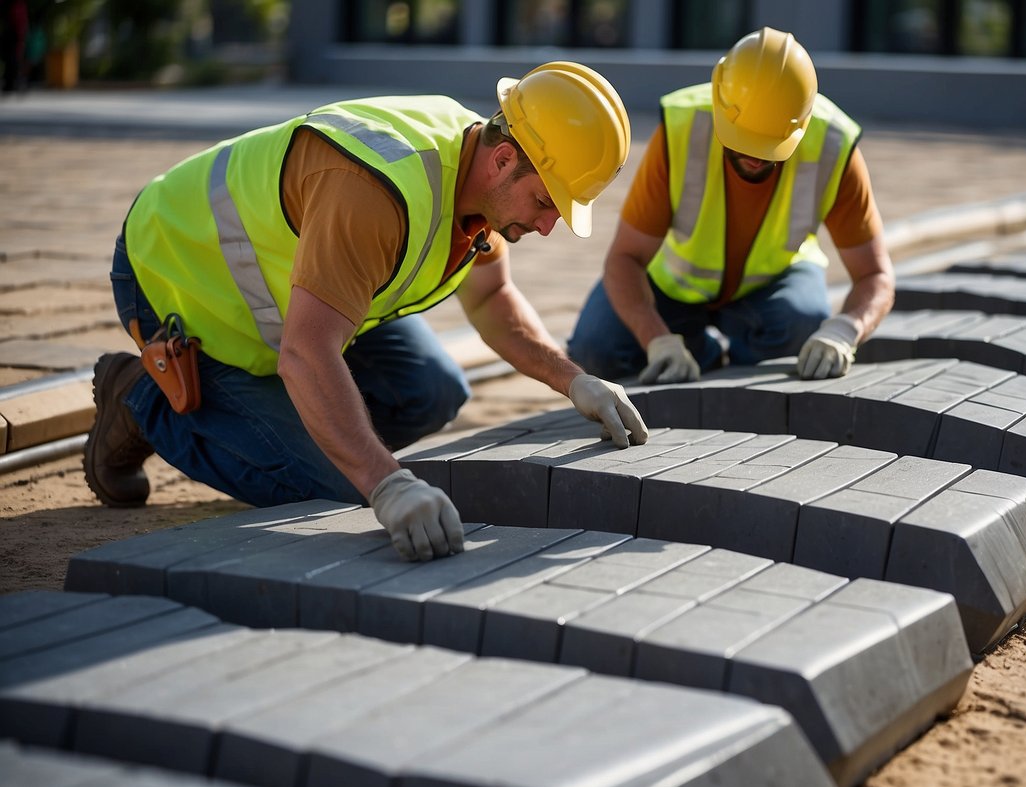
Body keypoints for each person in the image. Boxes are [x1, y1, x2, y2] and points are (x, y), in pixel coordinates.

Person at [84, 62, 649, 562]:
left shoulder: (476, 175)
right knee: (334, 484)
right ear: (504, 160)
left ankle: (302, 423)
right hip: (176, 280)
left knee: (431, 388)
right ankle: (140, 397)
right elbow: (306, 353)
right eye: (547, 202)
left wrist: (574, 381)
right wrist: (384, 483)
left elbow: (494, 299)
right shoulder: (376, 189)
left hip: (302, 307)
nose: (549, 225)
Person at [566, 27, 895, 386]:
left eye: (768, 144)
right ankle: (700, 354)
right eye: (743, 140)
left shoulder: (834, 144)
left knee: (803, 324)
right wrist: (656, 339)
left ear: (800, 123)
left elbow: (876, 275)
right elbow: (624, 259)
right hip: (672, 286)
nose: (754, 156)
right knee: (595, 348)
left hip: (774, 286)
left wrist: (846, 330)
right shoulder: (682, 126)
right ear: (719, 102)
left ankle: (734, 374)